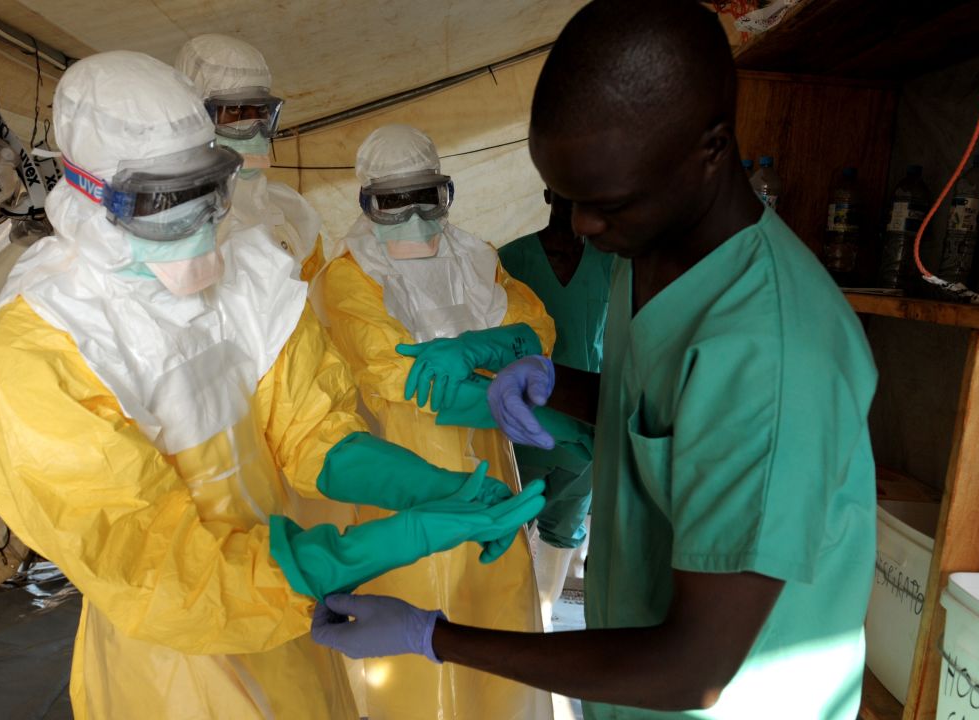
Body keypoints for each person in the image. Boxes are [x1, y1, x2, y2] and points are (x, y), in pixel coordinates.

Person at [311, 3, 878, 719]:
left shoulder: (775, 357)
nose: (581, 226)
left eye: (603, 202)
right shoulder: (650, 249)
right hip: (627, 680)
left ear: (711, 149)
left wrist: (435, 637)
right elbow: (674, 412)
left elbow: (690, 671)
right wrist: (559, 384)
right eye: (565, 197)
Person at [0, 51, 545, 720]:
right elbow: (159, 573)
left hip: (286, 614)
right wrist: (374, 546)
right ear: (90, 194)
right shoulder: (38, 356)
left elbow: (315, 434)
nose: (205, 226)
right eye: (167, 205)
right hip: (172, 656)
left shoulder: (246, 275)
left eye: (209, 192)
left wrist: (439, 489)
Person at [314, 123, 558, 720]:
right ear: (366, 202)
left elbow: (538, 331)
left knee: (494, 611)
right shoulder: (347, 278)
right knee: (412, 628)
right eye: (393, 202)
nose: (415, 217)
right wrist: (505, 381)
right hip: (401, 475)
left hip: (490, 459)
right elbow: (396, 377)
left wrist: (509, 352)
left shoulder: (476, 258)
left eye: (428, 196)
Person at [497, 189, 612, 621]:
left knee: (564, 532)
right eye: (564, 189)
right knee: (505, 526)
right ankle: (507, 622)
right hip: (522, 428)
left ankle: (542, 621)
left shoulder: (612, 265)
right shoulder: (509, 262)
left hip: (584, 429)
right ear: (546, 193)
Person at [176, 34, 327, 281]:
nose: (254, 128)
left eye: (261, 112)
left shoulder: (291, 211)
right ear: (196, 118)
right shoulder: (177, 222)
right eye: (234, 112)